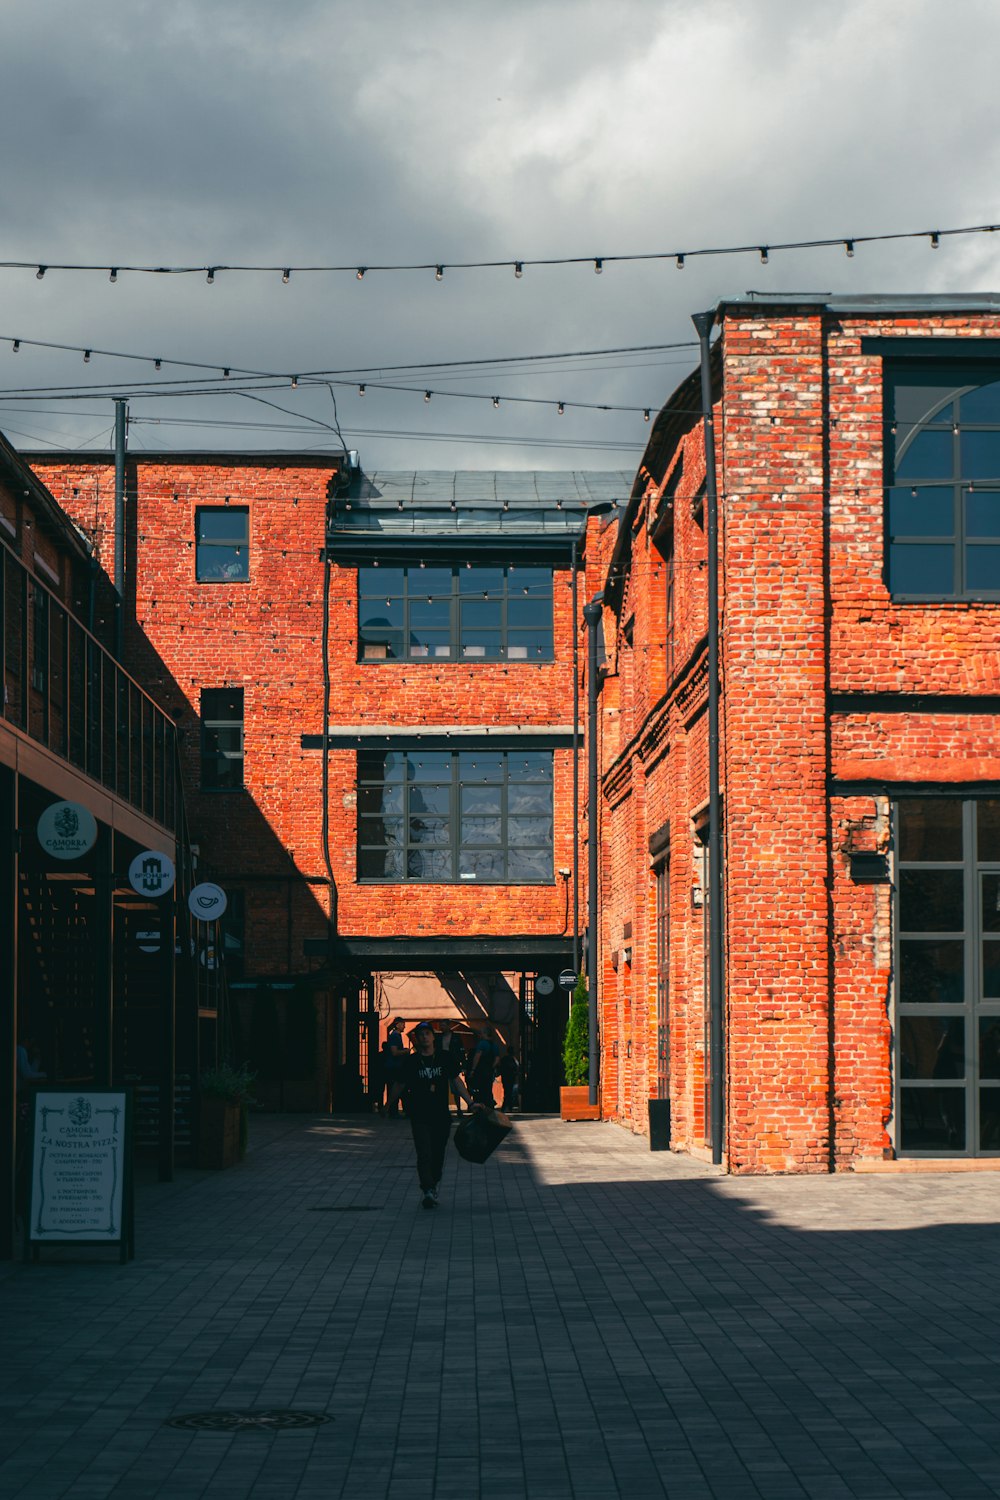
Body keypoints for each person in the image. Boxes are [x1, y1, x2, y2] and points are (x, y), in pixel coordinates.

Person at [402, 1021, 479, 1209]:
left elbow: (456, 1081)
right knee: (424, 1153)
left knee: (437, 1153)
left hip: (441, 1116)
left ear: (432, 1037)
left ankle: (433, 1183)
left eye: (427, 1034)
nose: (423, 1037)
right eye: (420, 1034)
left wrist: (470, 1102)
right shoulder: (411, 1062)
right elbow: (400, 1083)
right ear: (417, 1039)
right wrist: (387, 1105)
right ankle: (427, 1189)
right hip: (419, 1115)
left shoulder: (444, 1058)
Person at [436, 1020, 468, 1117]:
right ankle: (442, 1109)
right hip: (441, 1064)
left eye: (443, 1025)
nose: (441, 1027)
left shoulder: (456, 1037)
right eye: (440, 1025)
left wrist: (464, 1066)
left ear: (448, 1026)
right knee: (441, 1088)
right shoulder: (438, 1037)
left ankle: (459, 1109)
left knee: (456, 1088)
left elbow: (461, 1051)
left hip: (453, 1064)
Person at [467, 1023, 499, 1108]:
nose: (480, 1035)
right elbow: (497, 1059)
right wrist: (491, 1067)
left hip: (480, 1071)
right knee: (488, 1090)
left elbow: (477, 1057)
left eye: (481, 1033)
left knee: (479, 1090)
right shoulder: (494, 1046)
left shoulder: (482, 1044)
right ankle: (490, 1107)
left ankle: (481, 1107)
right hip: (489, 1071)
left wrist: (473, 1069)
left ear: (485, 1033)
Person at [380, 1017, 407, 1116]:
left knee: (396, 1088)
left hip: (395, 1066)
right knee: (395, 1089)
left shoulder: (396, 1036)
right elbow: (394, 1052)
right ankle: (392, 1111)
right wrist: (406, 1051)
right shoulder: (395, 1036)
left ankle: (390, 1109)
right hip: (394, 1067)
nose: (404, 1026)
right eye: (402, 1024)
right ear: (397, 1024)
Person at [497, 1047, 519, 1113]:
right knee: (509, 1092)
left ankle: (506, 1106)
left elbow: (500, 1067)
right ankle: (508, 1106)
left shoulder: (504, 1059)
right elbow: (517, 1067)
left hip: (505, 1077)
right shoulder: (513, 1059)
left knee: (507, 1091)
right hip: (511, 1077)